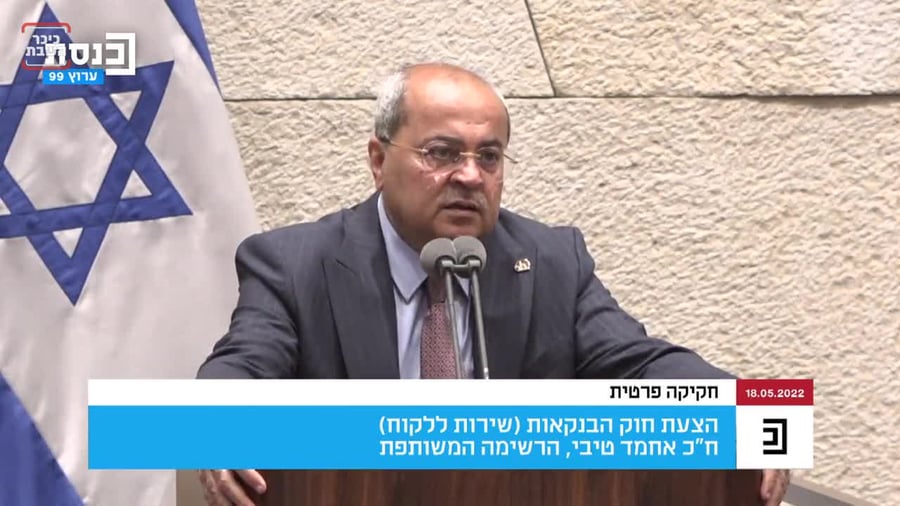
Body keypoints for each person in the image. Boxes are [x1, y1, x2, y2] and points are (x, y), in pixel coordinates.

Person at [195, 62, 790, 506]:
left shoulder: (551, 261)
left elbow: (639, 363)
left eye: (490, 156)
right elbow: (241, 368)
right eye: (442, 153)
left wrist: (750, 413)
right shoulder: (294, 264)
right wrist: (217, 427)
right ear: (378, 160)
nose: (470, 176)